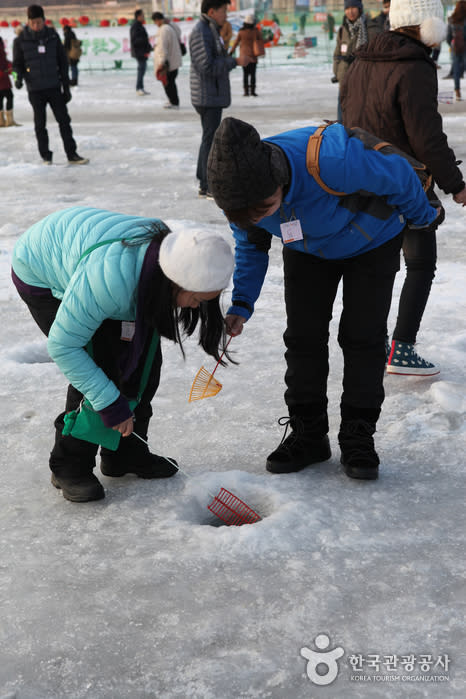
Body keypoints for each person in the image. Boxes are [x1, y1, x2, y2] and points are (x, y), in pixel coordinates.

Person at [207, 117, 442, 480]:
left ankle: (358, 436)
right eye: (247, 214)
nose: (258, 217)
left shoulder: (333, 160)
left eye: (264, 206)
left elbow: (399, 176)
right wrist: (242, 303)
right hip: (306, 248)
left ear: (278, 178)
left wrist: (423, 219)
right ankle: (308, 434)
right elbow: (251, 246)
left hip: (373, 241)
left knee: (362, 337)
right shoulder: (240, 198)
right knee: (303, 337)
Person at [11, 207, 235, 502]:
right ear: (174, 282)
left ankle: (125, 453)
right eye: (194, 299)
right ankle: (69, 466)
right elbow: (64, 347)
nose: (194, 308)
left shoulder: (171, 263)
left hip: (105, 267)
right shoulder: (107, 285)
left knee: (144, 365)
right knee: (100, 369)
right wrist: (109, 402)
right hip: (42, 270)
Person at [341, 0, 466, 375]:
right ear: (428, 27)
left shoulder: (361, 61)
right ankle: (402, 348)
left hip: (360, 178)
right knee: (420, 263)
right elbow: (426, 138)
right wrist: (456, 185)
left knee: (374, 264)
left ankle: (370, 342)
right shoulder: (415, 67)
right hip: (406, 183)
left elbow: (347, 116)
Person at [189, 0, 252, 198]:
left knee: (208, 137)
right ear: (212, 11)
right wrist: (234, 61)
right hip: (207, 95)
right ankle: (207, 184)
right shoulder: (202, 31)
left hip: (211, 93)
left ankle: (204, 181)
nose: (226, 14)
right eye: (224, 10)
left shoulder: (211, 29)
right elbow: (205, 66)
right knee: (210, 139)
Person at [12, 5, 88, 165]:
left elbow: (63, 63)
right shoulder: (20, 41)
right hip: (35, 89)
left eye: (39, 22)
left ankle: (72, 153)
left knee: (64, 121)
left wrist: (66, 88)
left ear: (44, 21)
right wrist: (18, 77)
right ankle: (46, 155)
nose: (36, 26)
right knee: (40, 124)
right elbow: (17, 64)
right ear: (28, 22)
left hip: (54, 87)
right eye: (33, 23)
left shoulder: (53, 37)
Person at [333, 1, 373, 121]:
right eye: (347, 8)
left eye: (353, 8)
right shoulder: (342, 29)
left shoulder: (368, 27)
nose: (350, 11)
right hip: (344, 78)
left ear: (359, 9)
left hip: (363, 78)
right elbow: (337, 53)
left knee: (360, 116)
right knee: (342, 116)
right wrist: (337, 72)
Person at [152, 12, 182, 109]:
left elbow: (162, 47)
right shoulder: (170, 27)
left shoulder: (164, 30)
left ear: (157, 20)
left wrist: (161, 62)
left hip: (168, 62)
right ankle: (173, 100)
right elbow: (179, 32)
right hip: (173, 60)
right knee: (170, 82)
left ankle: (174, 102)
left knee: (168, 82)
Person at [230, 14, 262, 96]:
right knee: (253, 74)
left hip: (243, 56)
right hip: (253, 56)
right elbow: (261, 42)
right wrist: (269, 39)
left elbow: (236, 43)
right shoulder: (256, 31)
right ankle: (253, 91)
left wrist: (231, 52)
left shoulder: (241, 32)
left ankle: (246, 91)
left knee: (245, 74)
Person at [447, 1, 466, 101]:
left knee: (456, 69)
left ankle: (457, 91)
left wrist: (452, 43)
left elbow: (448, 36)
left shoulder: (451, 19)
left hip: (455, 46)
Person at [130, 9, 152, 96]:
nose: (144, 17)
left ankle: (141, 87)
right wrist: (146, 40)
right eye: (142, 15)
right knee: (141, 70)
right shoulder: (135, 26)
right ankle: (138, 88)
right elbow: (135, 40)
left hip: (142, 51)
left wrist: (149, 46)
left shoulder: (139, 25)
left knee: (142, 70)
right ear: (138, 16)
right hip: (139, 52)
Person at [0, 35, 20, 127]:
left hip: (3, 76)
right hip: (2, 77)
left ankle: (3, 121)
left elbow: (3, 60)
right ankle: (8, 120)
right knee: (9, 96)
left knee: (3, 97)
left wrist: (10, 66)